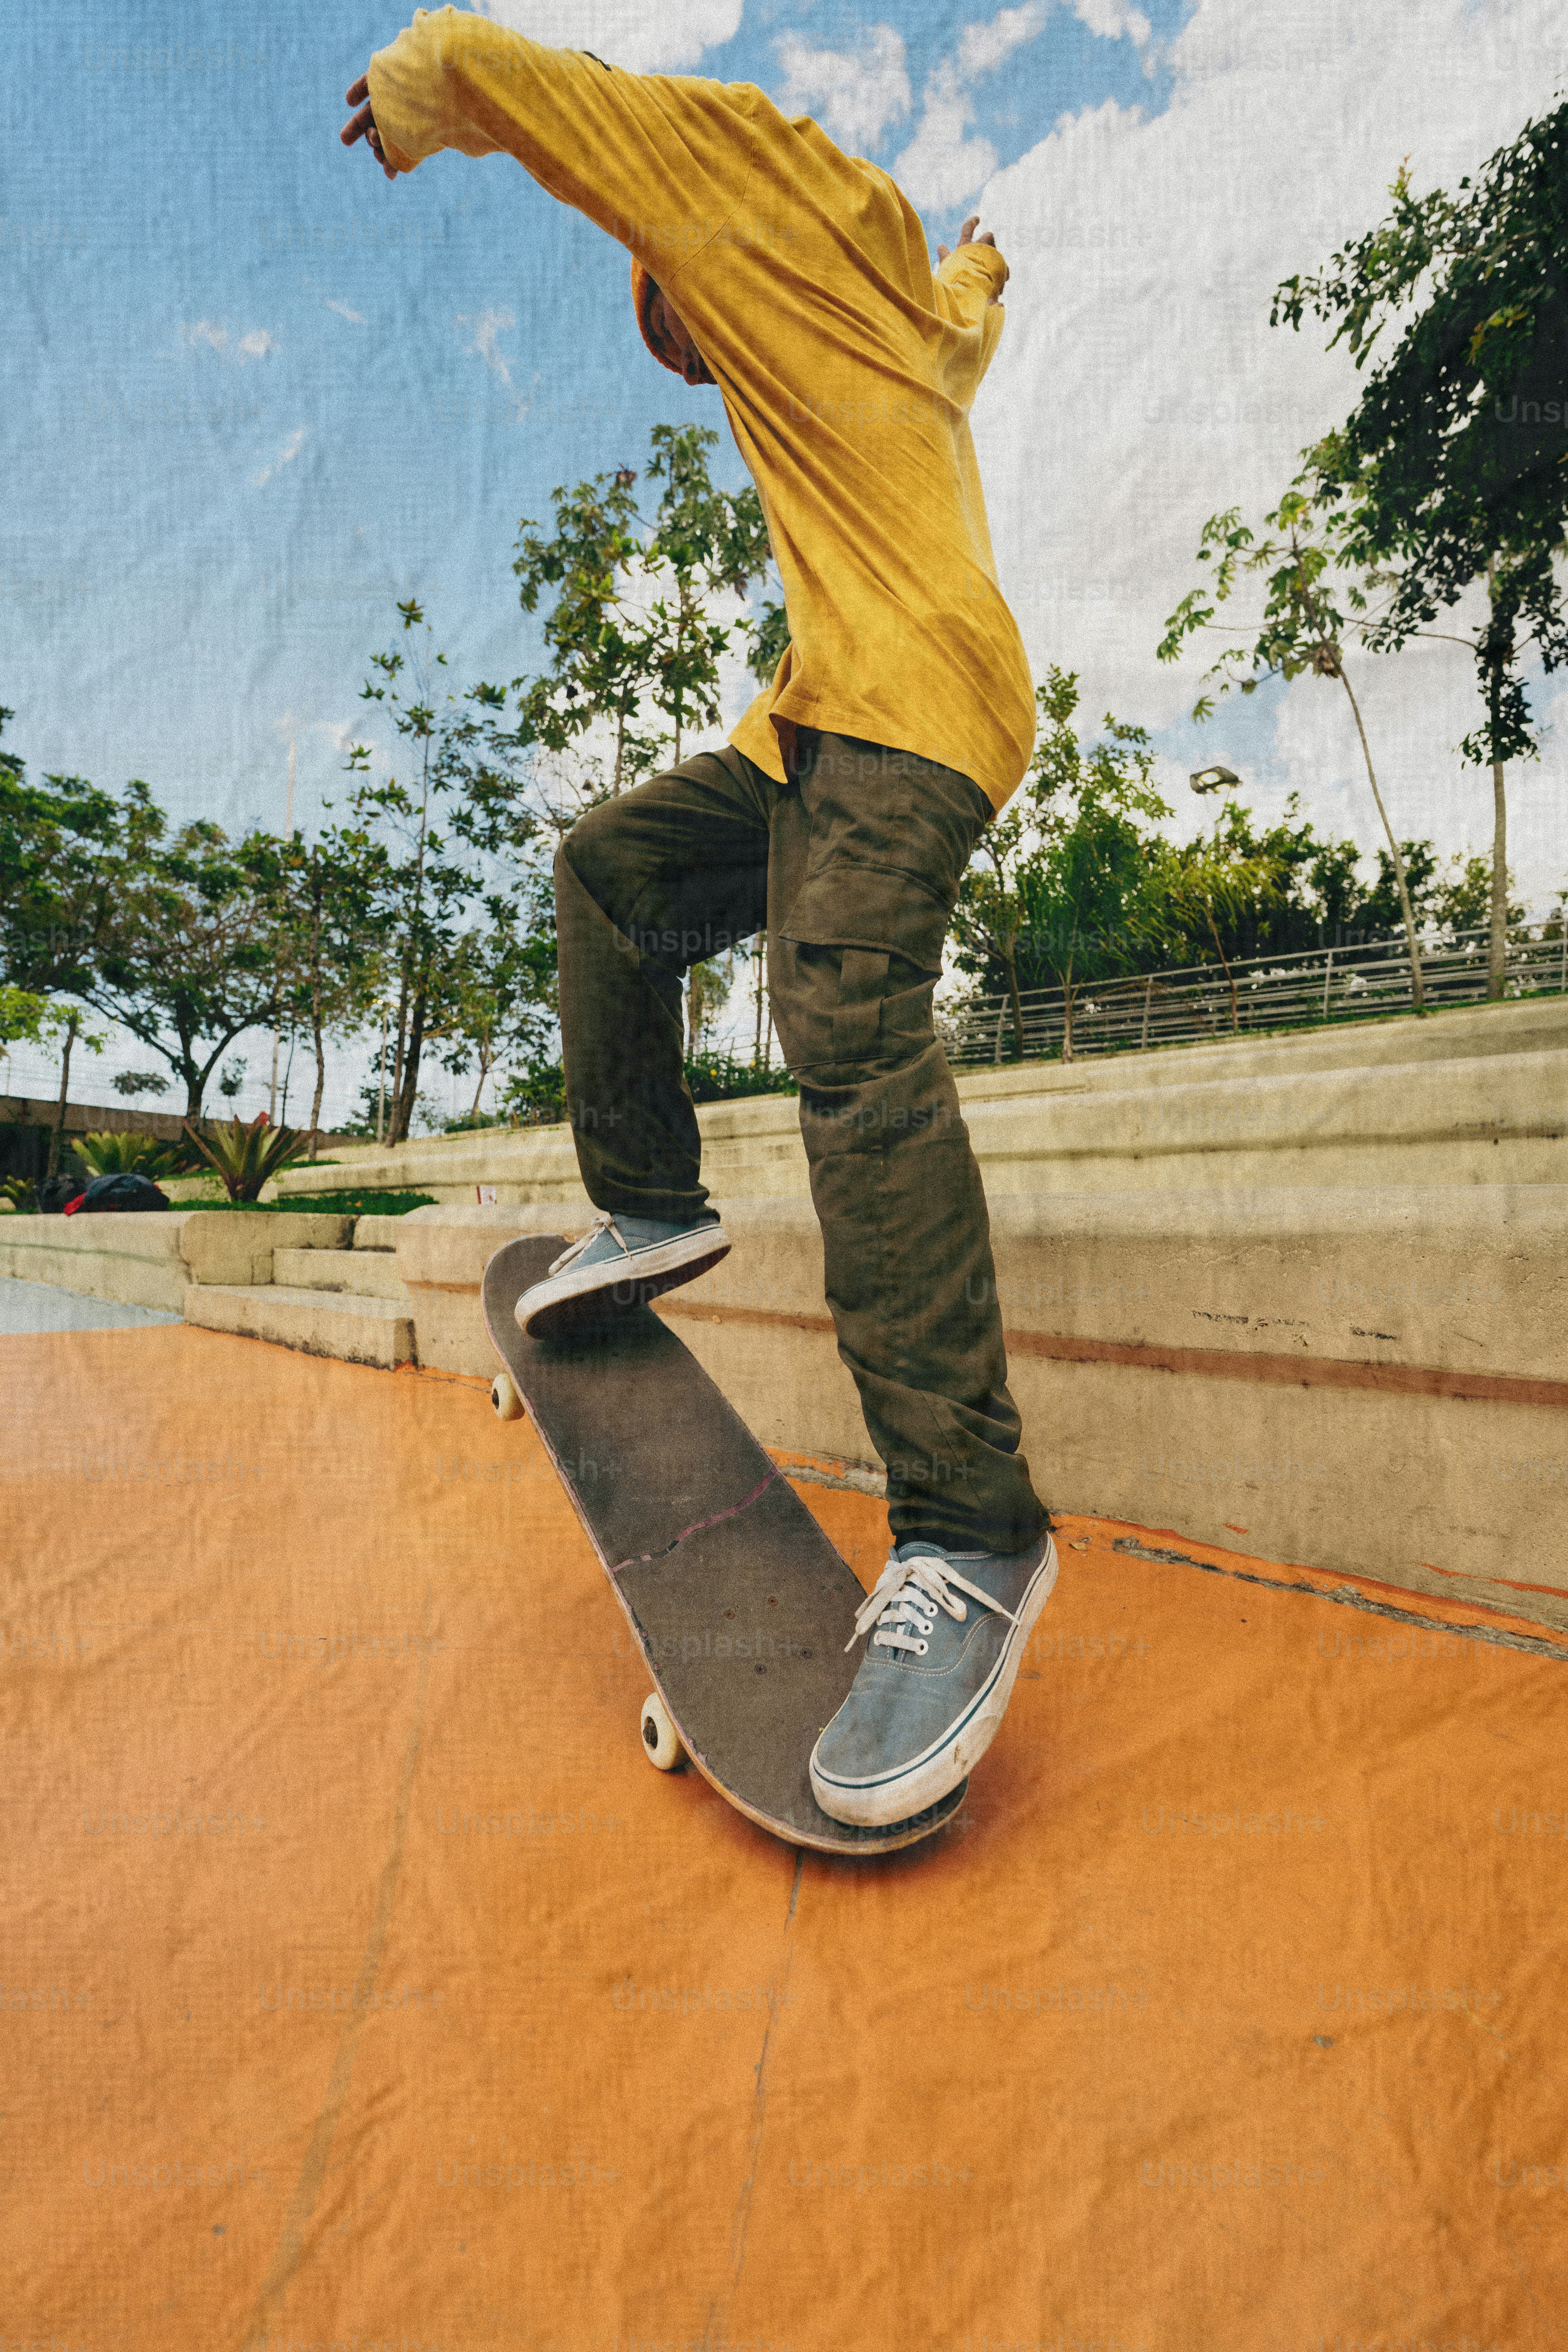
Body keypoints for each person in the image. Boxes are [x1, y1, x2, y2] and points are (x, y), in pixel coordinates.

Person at [342, 9, 1055, 1830]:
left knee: (841, 1007)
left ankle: (970, 1535)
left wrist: (429, 84)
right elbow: (967, 306)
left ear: (682, 251)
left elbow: (571, 115)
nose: (669, 350)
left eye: (662, 313)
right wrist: (983, 257)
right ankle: (650, 1197)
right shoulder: (902, 295)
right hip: (815, 721)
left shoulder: (734, 178)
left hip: (913, 707)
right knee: (612, 869)